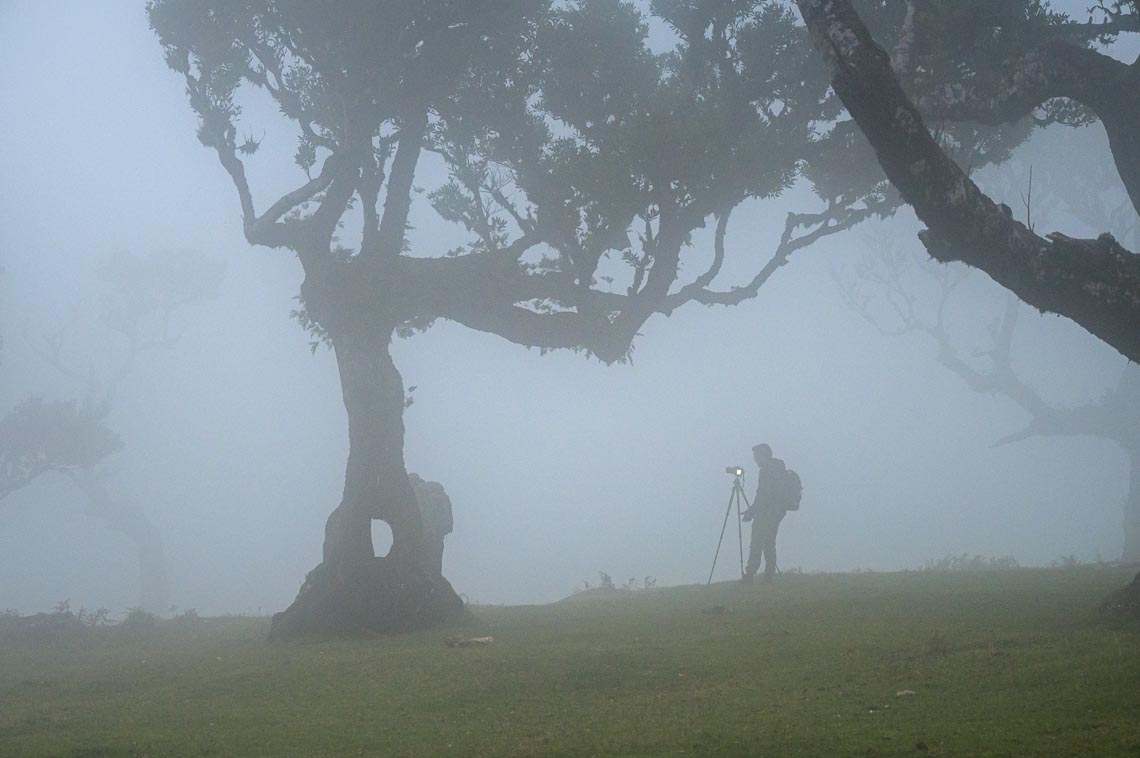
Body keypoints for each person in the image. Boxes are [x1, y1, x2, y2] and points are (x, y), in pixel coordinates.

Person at [741, 443, 790, 583]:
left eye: (756, 456)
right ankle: (769, 576)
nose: (755, 459)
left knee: (757, 541)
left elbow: (762, 494)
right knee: (769, 543)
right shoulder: (779, 467)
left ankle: (750, 574)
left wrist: (751, 511)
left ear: (763, 455)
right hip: (778, 511)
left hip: (767, 512)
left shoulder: (766, 470)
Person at [409, 473, 453, 575]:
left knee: (422, 565)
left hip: (427, 535)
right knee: (435, 565)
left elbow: (423, 514)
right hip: (439, 534)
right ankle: (435, 582)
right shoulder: (438, 493)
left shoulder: (418, 492)